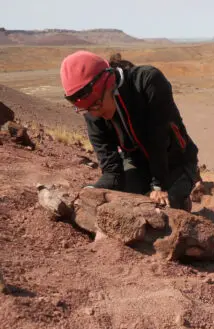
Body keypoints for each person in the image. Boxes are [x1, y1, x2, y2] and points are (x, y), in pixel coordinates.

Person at [60, 50, 199, 211]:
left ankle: (183, 195)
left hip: (174, 160)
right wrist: (92, 192)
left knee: (160, 211)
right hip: (137, 163)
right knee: (120, 206)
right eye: (86, 110)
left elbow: (158, 139)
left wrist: (158, 186)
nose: (95, 114)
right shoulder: (91, 111)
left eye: (97, 105)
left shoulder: (148, 81)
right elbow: (112, 170)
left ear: (110, 83)